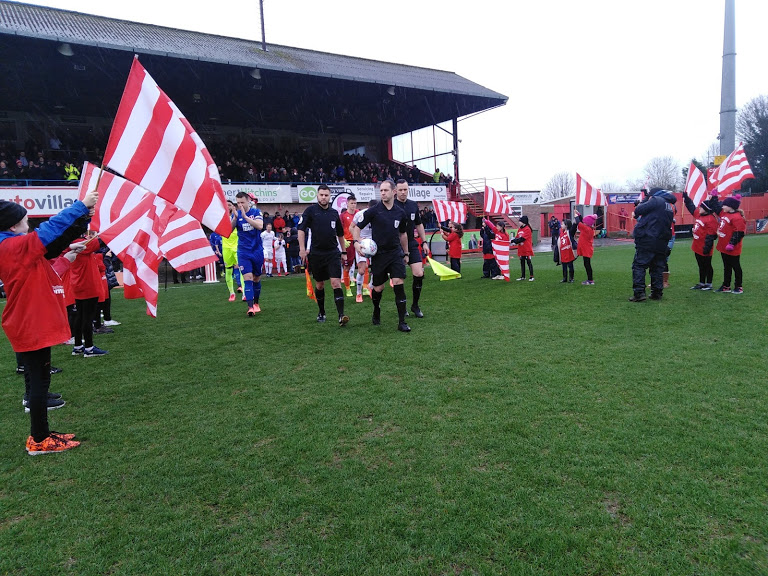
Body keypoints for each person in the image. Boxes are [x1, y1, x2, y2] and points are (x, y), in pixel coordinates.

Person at [0, 188, 98, 454]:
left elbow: (46, 269)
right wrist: (80, 206)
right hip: (29, 322)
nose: (28, 222)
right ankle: (39, 439)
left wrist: (68, 254)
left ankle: (42, 434)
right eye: (24, 219)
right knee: (40, 381)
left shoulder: (14, 248)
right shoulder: (10, 245)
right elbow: (48, 233)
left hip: (29, 321)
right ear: (12, 224)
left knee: (39, 379)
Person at [351, 179, 411, 332]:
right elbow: (356, 228)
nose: (383, 193)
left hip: (395, 253)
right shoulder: (374, 211)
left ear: (393, 192)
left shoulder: (400, 213)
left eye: (385, 190)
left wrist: (406, 253)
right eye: (381, 191)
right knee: (378, 288)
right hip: (379, 255)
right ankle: (376, 309)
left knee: (398, 282)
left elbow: (403, 234)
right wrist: (357, 242)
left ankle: (402, 322)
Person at [297, 183, 349, 326]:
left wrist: (343, 251)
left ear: (329, 196)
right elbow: (301, 230)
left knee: (336, 283)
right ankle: (322, 312)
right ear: (317, 196)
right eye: (321, 195)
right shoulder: (310, 211)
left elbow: (340, 234)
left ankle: (341, 316)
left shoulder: (334, 213)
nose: (324, 197)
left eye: (326, 195)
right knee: (319, 285)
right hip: (316, 254)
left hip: (332, 253)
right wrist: (302, 249)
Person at [629, 187, 676, 302]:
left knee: (639, 265)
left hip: (648, 238)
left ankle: (639, 293)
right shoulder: (670, 206)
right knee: (657, 267)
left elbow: (639, 210)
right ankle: (657, 292)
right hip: (662, 240)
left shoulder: (656, 200)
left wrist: (645, 200)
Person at [395, 179, 427, 317]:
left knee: (419, 273)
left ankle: (415, 305)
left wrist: (424, 242)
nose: (403, 192)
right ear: (395, 190)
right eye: (400, 190)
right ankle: (402, 307)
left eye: (405, 190)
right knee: (398, 279)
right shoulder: (391, 205)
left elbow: (419, 224)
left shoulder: (413, 205)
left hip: (412, 243)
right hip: (395, 245)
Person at [232, 192, 264, 316]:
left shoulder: (256, 212)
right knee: (248, 278)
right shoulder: (236, 215)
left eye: (242, 202)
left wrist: (245, 217)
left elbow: (260, 226)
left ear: (248, 201)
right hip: (243, 251)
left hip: (256, 251)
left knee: (256, 277)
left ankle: (256, 303)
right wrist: (235, 218)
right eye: (238, 203)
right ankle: (250, 307)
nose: (240, 205)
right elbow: (228, 231)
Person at [682, 193, 719, 290]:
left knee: (707, 265)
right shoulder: (699, 214)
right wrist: (687, 199)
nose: (699, 208)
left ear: (706, 209)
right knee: (701, 265)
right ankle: (702, 282)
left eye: (701, 207)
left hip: (705, 247)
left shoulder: (711, 219)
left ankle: (709, 283)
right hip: (697, 245)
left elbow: (711, 236)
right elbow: (691, 208)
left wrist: (706, 248)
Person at [715, 194, 746, 294]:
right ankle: (726, 286)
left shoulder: (737, 217)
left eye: (724, 205)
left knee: (736, 266)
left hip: (732, 248)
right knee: (726, 266)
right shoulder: (724, 214)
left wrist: (732, 244)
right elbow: (715, 207)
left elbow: (739, 232)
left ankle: (738, 286)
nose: (722, 207)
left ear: (730, 206)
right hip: (723, 246)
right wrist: (714, 197)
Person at [352, 200, 376, 302]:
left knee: (377, 269)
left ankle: (370, 286)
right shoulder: (360, 214)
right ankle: (358, 293)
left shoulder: (381, 213)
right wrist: (357, 240)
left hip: (374, 244)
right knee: (362, 270)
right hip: (362, 244)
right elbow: (351, 228)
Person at [339, 194, 358, 297]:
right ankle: (347, 289)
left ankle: (364, 287)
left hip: (358, 242)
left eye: (355, 203)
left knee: (363, 265)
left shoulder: (358, 213)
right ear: (347, 203)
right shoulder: (343, 215)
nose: (353, 205)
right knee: (347, 266)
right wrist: (343, 240)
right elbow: (339, 229)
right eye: (351, 203)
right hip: (348, 243)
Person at [222, 200, 241, 301]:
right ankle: (232, 293)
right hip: (226, 247)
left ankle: (244, 293)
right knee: (228, 270)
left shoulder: (238, 217)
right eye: (226, 205)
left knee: (242, 269)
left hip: (237, 246)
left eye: (229, 205)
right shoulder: (221, 218)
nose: (228, 206)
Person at [575, 211, 597, 285]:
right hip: (587, 249)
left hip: (586, 250)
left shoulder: (586, 229)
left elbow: (578, 222)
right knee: (587, 264)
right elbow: (582, 221)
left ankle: (590, 280)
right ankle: (590, 279)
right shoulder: (588, 228)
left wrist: (576, 216)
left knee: (587, 265)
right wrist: (579, 214)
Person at [511, 215, 534, 281]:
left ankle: (531, 276)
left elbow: (522, 239)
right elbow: (517, 237)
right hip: (521, 249)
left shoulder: (527, 229)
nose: (519, 222)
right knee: (522, 262)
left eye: (520, 221)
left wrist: (514, 241)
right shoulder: (520, 229)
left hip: (527, 248)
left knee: (529, 262)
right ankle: (523, 276)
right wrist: (513, 241)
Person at [558, 218, 577, 283]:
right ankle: (564, 278)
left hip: (569, 252)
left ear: (566, 225)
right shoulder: (561, 233)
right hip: (563, 252)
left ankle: (571, 278)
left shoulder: (569, 232)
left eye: (562, 224)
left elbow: (574, 229)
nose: (561, 225)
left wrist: (575, 222)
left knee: (570, 265)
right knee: (564, 266)